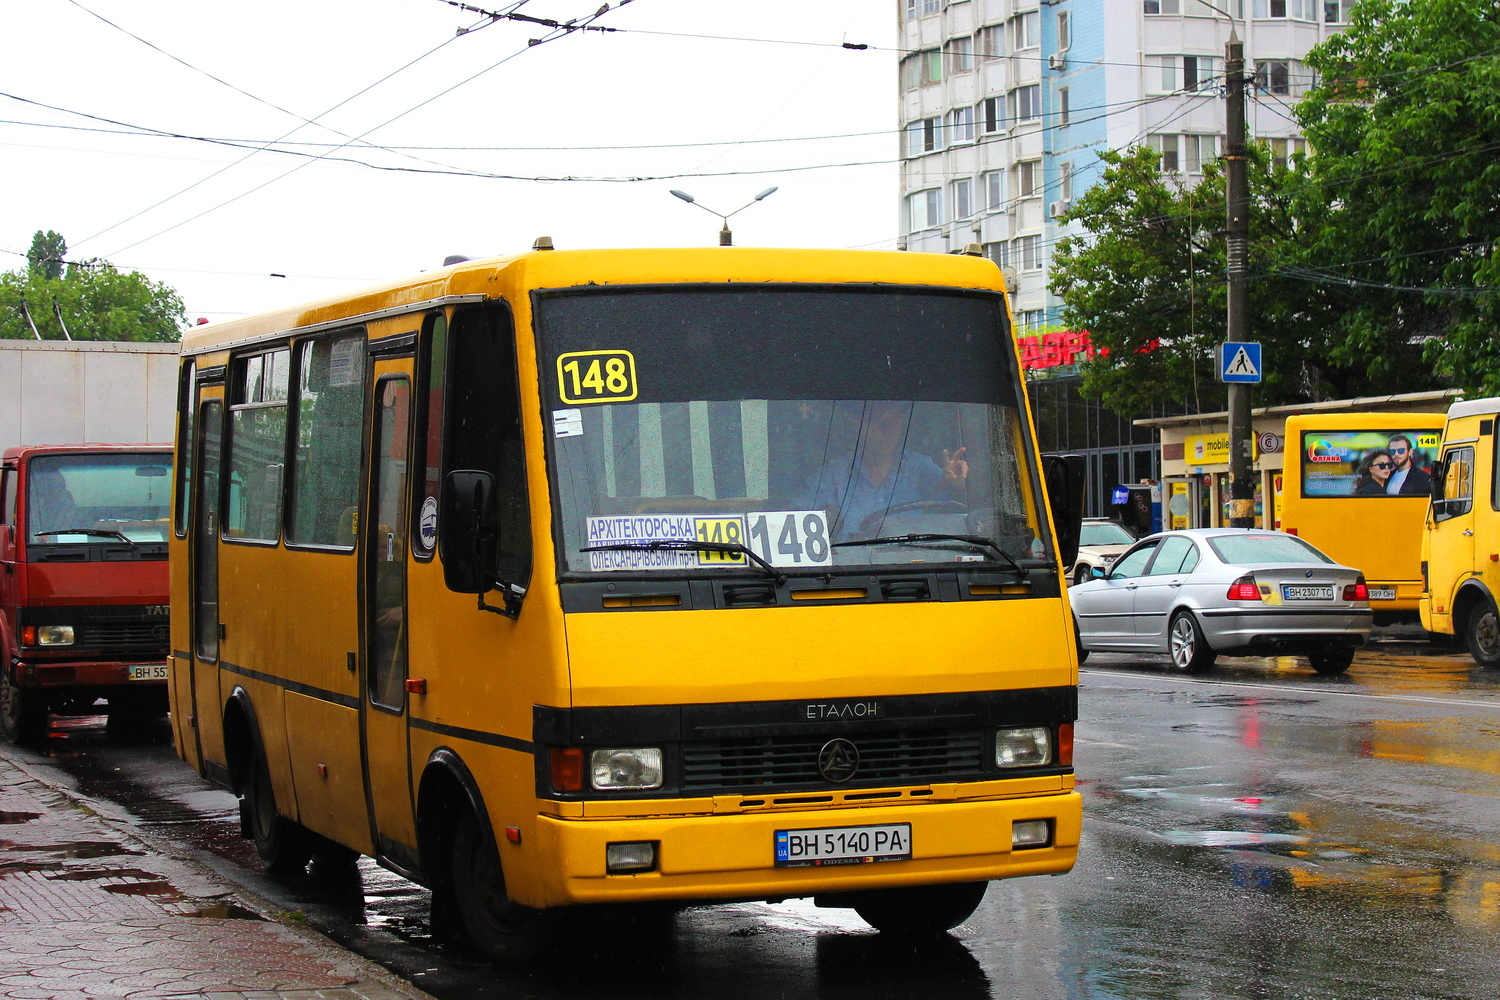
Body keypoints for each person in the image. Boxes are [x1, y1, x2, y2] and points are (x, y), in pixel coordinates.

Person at [794, 400, 969, 540]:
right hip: (846, 574)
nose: (887, 432)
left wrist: (954, 482)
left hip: (912, 570)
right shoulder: (831, 477)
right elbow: (793, 522)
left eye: (894, 423)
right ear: (860, 428)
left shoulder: (918, 467)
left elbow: (948, 491)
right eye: (879, 424)